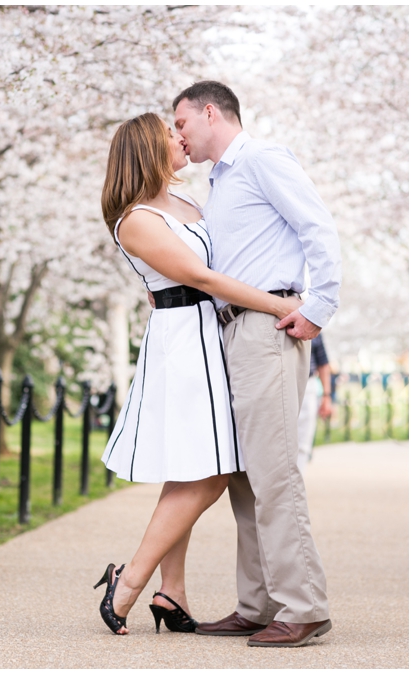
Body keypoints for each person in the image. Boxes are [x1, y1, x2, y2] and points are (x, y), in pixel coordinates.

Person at [95, 112, 302, 637]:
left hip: (213, 331)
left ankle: (173, 592)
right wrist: (283, 306)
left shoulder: (188, 203)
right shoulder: (137, 218)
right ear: (148, 148)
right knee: (208, 473)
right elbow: (203, 276)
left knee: (192, 466)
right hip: (184, 343)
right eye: (170, 133)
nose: (180, 137)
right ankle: (128, 583)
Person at [173, 80, 340, 647]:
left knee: (272, 472)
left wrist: (319, 307)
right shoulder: (219, 183)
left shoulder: (263, 159)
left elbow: (317, 226)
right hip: (232, 334)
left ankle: (304, 605)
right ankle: (257, 604)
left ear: (211, 112)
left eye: (182, 124)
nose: (179, 136)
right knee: (244, 478)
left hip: (267, 329)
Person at [297, 334, 332, 473]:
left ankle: (296, 486)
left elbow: (323, 364)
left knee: (303, 442)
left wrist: (326, 397)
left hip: (307, 384)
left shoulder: (313, 324)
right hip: (278, 383)